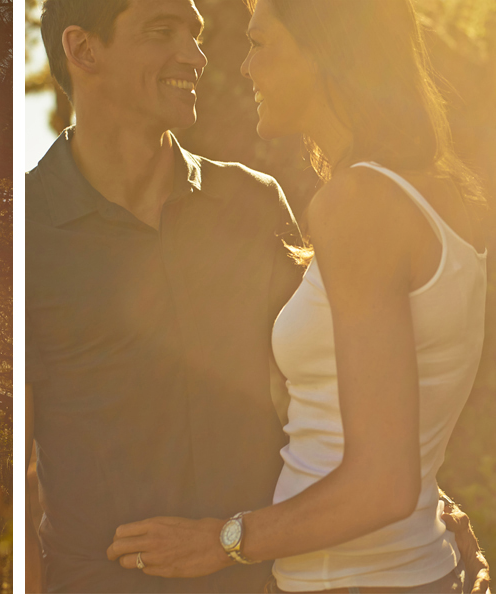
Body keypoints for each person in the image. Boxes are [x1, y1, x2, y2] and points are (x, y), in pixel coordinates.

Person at [106, 0, 492, 592]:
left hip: (355, 580)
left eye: (260, 44)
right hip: (412, 568)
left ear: (325, 49)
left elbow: (383, 483)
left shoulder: (360, 203)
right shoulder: (441, 194)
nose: (244, 69)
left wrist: (220, 541)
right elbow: (398, 422)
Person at [26, 0, 304, 590]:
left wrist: (429, 505)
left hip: (265, 578)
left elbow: (336, 384)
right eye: (162, 31)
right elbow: (10, 470)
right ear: (83, 50)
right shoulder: (20, 230)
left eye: (195, 35)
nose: (196, 55)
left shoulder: (254, 203)